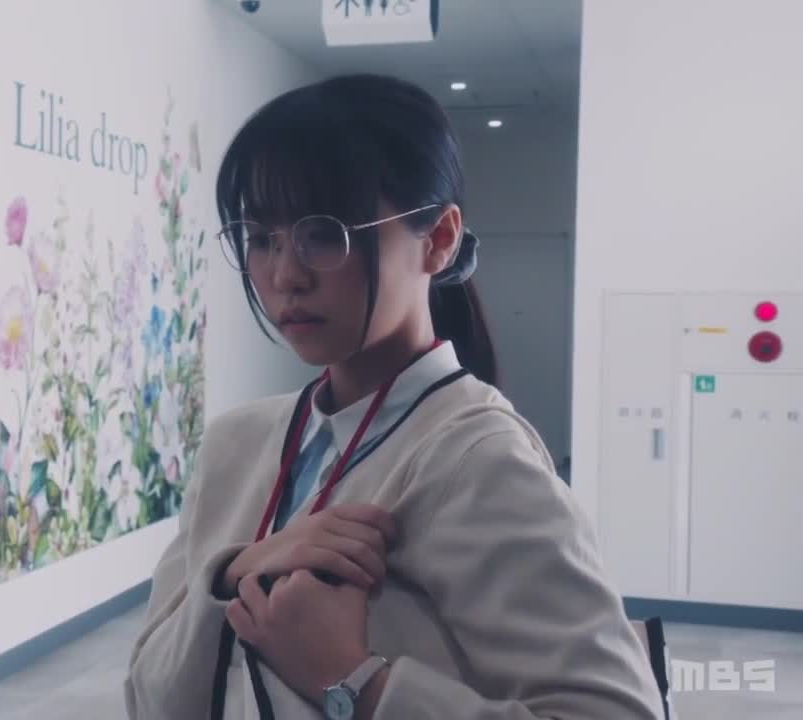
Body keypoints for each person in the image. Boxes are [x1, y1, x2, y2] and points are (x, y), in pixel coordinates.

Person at [124, 74, 661, 720]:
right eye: (262, 238)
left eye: (324, 233)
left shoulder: (479, 459)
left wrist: (354, 683)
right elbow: (147, 696)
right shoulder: (234, 445)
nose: (285, 274)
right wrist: (235, 573)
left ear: (438, 239)